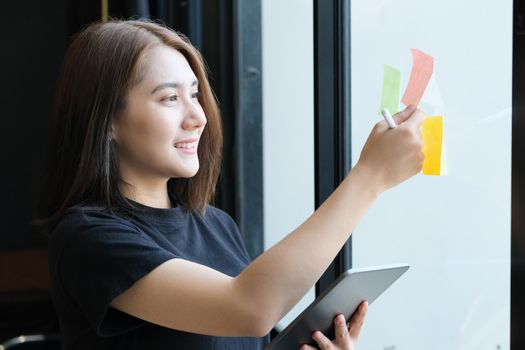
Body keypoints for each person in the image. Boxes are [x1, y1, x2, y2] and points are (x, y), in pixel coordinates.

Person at [37, 19, 425, 350]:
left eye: (194, 95)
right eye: (170, 98)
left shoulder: (216, 225)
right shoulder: (89, 238)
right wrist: (369, 177)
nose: (197, 117)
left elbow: (252, 328)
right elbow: (250, 309)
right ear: (108, 122)